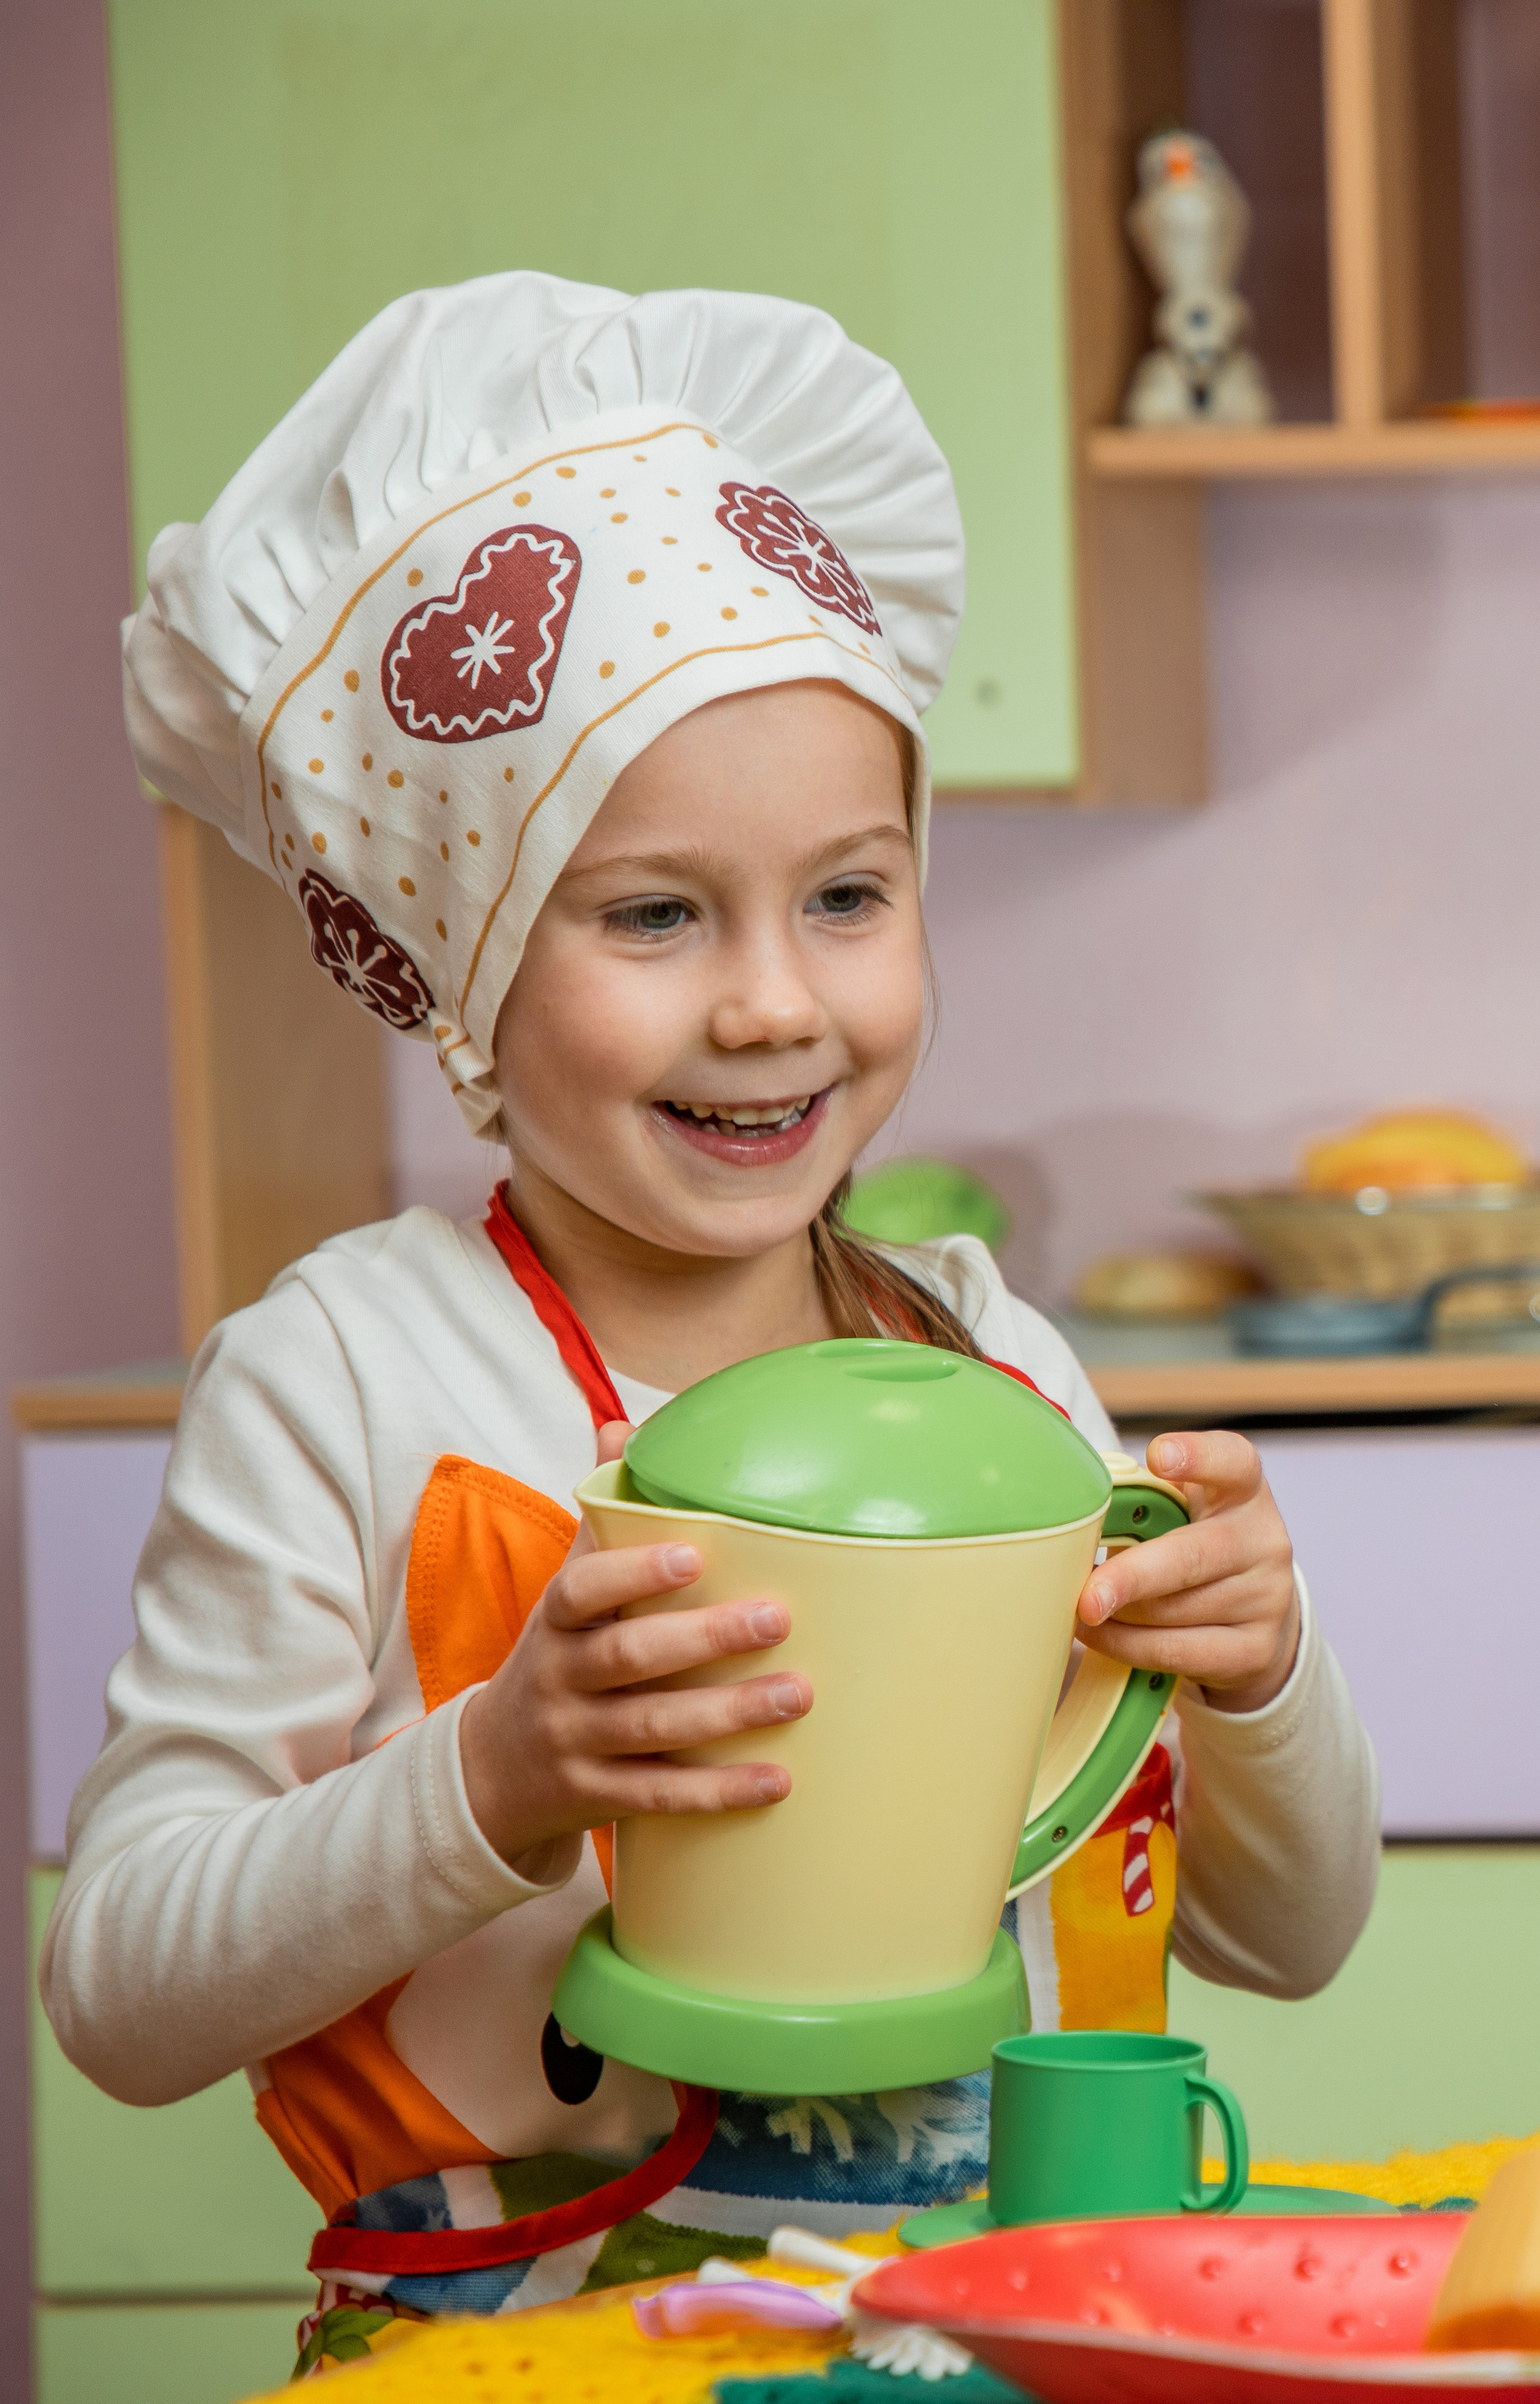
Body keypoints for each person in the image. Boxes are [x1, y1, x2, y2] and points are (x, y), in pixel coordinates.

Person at [43, 272, 1380, 2365]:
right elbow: (120, 1991)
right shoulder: (346, 1380)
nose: (772, 1003)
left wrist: (1264, 1673)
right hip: (503, 2359)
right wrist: (494, 1778)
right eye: (655, 914)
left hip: (955, 2341)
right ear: (463, 966)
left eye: (848, 895)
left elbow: (1288, 1940)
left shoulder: (999, 1373)